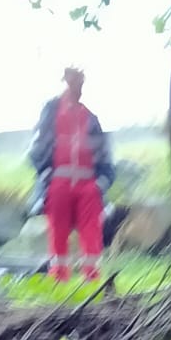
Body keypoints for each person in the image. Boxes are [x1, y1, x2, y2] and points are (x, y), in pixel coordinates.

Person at [29, 67, 114, 284]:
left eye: (80, 83)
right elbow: (38, 148)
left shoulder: (90, 118)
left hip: (88, 185)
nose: (77, 87)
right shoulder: (51, 111)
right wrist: (47, 177)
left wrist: (99, 185)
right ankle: (59, 279)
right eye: (73, 82)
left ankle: (92, 279)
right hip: (59, 182)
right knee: (58, 232)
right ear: (66, 82)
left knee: (91, 231)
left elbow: (105, 157)